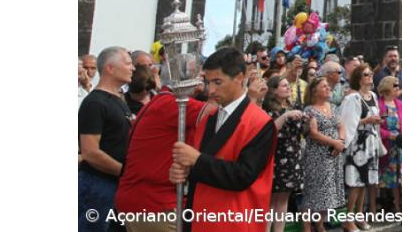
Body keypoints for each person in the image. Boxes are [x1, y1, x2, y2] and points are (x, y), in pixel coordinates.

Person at [170, 46, 277, 232]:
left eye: (217, 82)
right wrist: (185, 171)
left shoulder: (261, 123)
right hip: (199, 218)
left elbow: (243, 176)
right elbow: (200, 166)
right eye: (208, 82)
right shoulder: (208, 118)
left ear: (239, 77)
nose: (210, 90)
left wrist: (196, 160)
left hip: (235, 221)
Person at [115, 85, 208, 232]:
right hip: (155, 204)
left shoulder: (162, 100)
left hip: (146, 202)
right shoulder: (172, 103)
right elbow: (222, 115)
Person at [79, 46, 135, 231]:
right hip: (97, 186)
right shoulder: (95, 103)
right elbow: (90, 152)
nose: (132, 68)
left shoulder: (118, 100)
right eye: (127, 63)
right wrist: (125, 172)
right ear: (110, 68)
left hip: (115, 186)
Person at [339, 62, 382, 229]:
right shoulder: (352, 98)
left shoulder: (373, 95)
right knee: (355, 183)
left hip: (370, 142)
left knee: (365, 181)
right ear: (358, 78)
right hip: (357, 144)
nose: (370, 76)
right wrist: (367, 120)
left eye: (370, 73)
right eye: (366, 74)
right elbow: (347, 123)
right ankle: (348, 219)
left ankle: (359, 215)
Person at [303, 76, 348, 231]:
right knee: (314, 191)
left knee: (328, 192)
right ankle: (307, 226)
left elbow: (341, 125)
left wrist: (340, 142)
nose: (328, 88)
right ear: (314, 91)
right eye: (324, 86)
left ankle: (320, 224)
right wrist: (333, 143)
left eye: (328, 86)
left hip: (334, 155)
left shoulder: (332, 106)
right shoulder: (309, 110)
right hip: (317, 157)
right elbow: (313, 134)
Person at [263, 76, 306, 232]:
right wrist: (286, 116)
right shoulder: (267, 108)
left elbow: (302, 132)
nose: (288, 88)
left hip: (292, 158)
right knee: (270, 201)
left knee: (283, 199)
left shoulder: (293, 106)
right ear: (274, 90)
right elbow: (270, 131)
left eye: (289, 85)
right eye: (283, 85)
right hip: (275, 158)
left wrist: (307, 121)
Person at [378, 76, 402, 214]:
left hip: (400, 146)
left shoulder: (399, 103)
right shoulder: (379, 105)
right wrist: (388, 135)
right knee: (385, 178)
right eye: (395, 85)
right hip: (386, 145)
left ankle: (398, 207)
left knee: (398, 178)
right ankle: (385, 205)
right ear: (387, 87)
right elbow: (376, 127)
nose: (398, 88)